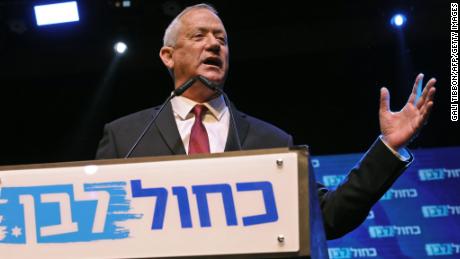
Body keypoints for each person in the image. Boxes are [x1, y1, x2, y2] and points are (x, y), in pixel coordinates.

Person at [96, 4, 436, 240]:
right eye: (199, 36)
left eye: (222, 39)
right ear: (168, 56)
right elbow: (98, 226)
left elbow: (328, 218)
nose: (214, 43)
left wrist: (388, 147)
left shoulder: (271, 141)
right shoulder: (125, 137)